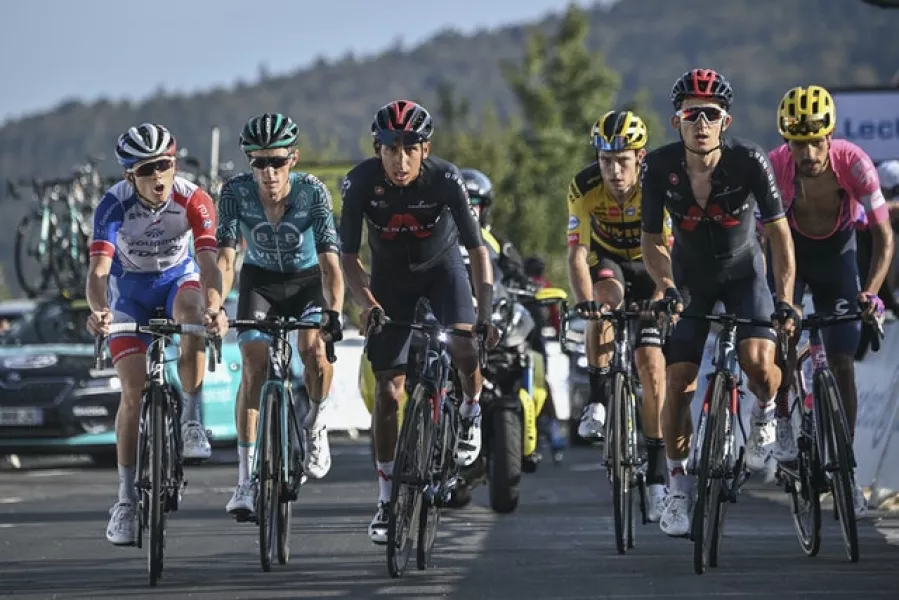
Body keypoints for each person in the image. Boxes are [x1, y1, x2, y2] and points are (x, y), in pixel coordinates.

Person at [640, 70, 799, 537]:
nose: (702, 122)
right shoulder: (658, 166)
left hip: (744, 272)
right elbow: (652, 241)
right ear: (677, 121)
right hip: (692, 279)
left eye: (712, 114)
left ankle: (765, 411)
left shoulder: (749, 161)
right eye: (693, 114)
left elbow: (781, 236)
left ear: (725, 120)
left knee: (757, 363)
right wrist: (666, 284)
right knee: (679, 379)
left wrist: (786, 298)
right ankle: (676, 487)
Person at [339, 100, 499, 544]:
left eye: (410, 148)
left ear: (425, 149)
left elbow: (478, 251)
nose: (400, 159)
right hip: (390, 280)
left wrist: (483, 315)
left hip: (444, 270)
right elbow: (348, 258)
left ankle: (469, 409)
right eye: (391, 149)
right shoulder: (360, 183)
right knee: (389, 394)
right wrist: (365, 300)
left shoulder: (446, 179)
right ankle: (387, 499)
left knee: (465, 346)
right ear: (378, 149)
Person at [85, 123, 228, 545]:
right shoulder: (112, 206)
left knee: (192, 311)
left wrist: (215, 306)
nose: (158, 176)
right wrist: (99, 311)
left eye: (164, 165)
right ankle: (126, 499)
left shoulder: (192, 199)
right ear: (131, 175)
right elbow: (98, 273)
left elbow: (207, 264)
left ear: (174, 162)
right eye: (147, 169)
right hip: (128, 293)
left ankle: (190, 420)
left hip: (175, 283)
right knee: (133, 391)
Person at [767, 86, 894, 514]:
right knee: (784, 333)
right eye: (797, 143)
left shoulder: (853, 163)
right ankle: (783, 415)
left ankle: (848, 471)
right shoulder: (777, 167)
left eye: (815, 141)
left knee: (841, 362)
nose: (807, 153)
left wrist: (871, 294)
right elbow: (770, 238)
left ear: (830, 136)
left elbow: (883, 236)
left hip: (838, 253)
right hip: (792, 254)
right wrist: (785, 301)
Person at [216, 113, 344, 520]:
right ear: (248, 162)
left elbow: (330, 264)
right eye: (258, 162)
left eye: (277, 161)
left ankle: (316, 423)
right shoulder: (235, 192)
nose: (268, 171)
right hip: (261, 282)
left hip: (308, 281)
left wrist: (334, 313)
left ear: (294, 158)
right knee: (253, 367)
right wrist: (216, 304)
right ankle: (244, 482)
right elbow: (225, 258)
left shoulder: (312, 193)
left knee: (313, 350)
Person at [567, 110, 670, 521]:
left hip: (651, 264)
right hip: (608, 260)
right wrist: (583, 300)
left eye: (622, 160)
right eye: (605, 160)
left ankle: (658, 475)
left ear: (640, 157)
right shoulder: (584, 185)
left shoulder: (656, 183)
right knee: (603, 301)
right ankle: (597, 401)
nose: (613, 171)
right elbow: (576, 252)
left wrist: (665, 293)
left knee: (651, 368)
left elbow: (668, 251)